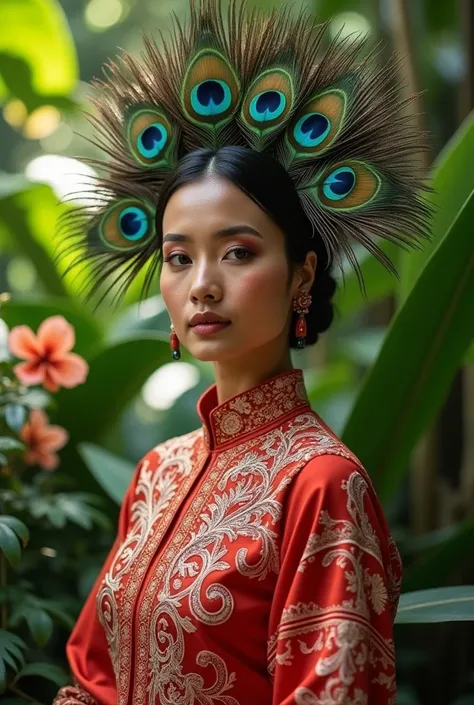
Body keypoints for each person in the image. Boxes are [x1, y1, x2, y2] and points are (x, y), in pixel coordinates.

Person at [53, 1, 431, 703]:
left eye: (238, 251)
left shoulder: (320, 486)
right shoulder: (156, 474)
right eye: (177, 256)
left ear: (302, 275)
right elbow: (94, 679)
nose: (202, 285)